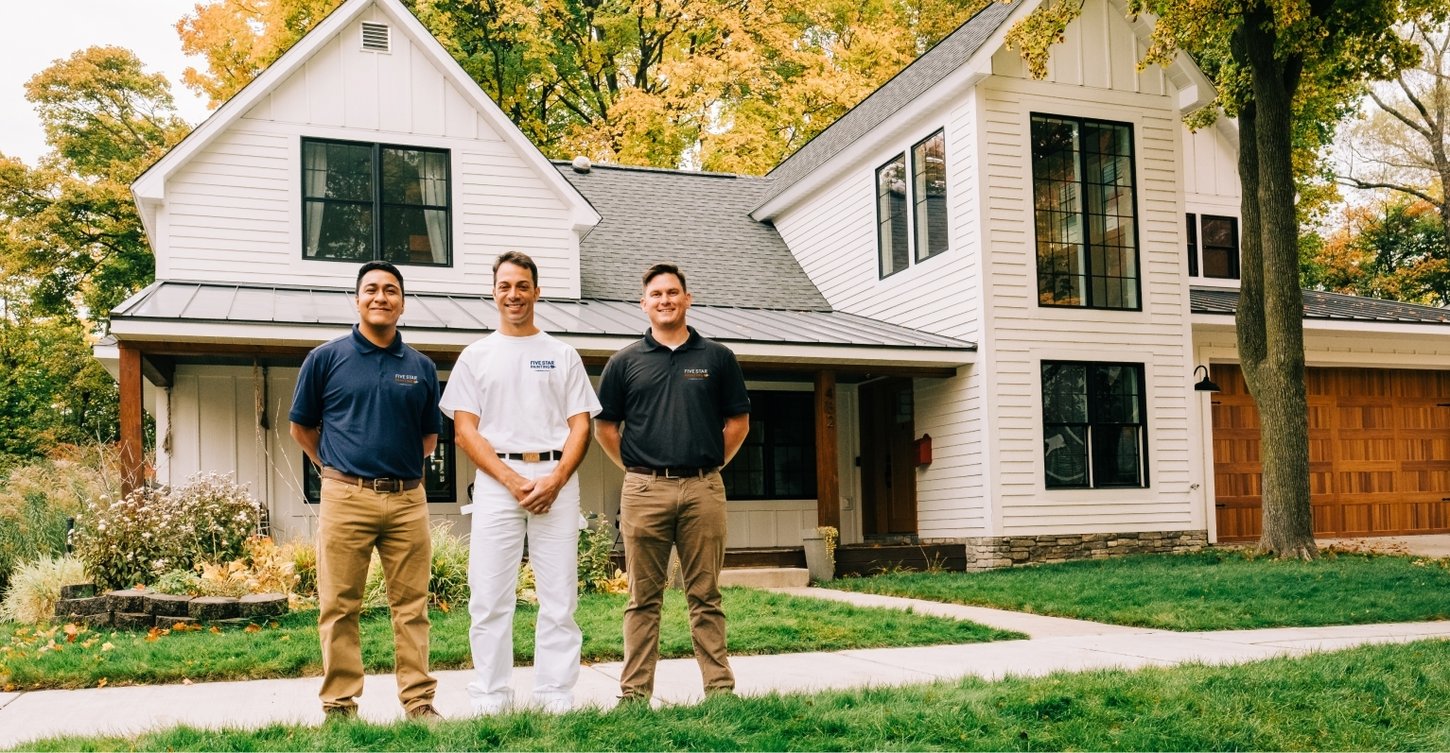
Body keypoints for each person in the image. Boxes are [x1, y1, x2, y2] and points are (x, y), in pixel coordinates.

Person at [440, 251, 601, 715]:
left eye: (522, 286)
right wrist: (511, 480)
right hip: (497, 483)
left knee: (559, 597)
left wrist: (555, 479)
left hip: (557, 481)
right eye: (505, 286)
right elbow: (465, 430)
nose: (514, 294)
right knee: (489, 597)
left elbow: (581, 426)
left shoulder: (562, 354)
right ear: (494, 292)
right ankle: (491, 697)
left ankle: (555, 696)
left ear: (537, 291)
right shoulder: (476, 356)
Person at [288, 261, 442, 722]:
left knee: (412, 607)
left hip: (408, 500)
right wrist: (332, 469)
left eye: (391, 290)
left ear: (402, 303)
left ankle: (419, 701)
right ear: (357, 300)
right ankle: (339, 705)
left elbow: (429, 437)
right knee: (339, 605)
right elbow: (301, 427)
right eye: (371, 289)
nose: (381, 297)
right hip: (346, 497)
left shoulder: (421, 367)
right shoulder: (325, 358)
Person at [595, 263, 751, 704]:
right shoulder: (624, 362)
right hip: (644, 491)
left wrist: (712, 464)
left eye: (672, 292)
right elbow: (605, 427)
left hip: (703, 490)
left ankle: (719, 691)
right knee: (642, 598)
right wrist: (634, 469)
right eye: (656, 294)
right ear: (643, 304)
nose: (664, 300)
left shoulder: (717, 358)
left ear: (687, 298)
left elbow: (738, 422)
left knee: (705, 595)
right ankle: (634, 694)